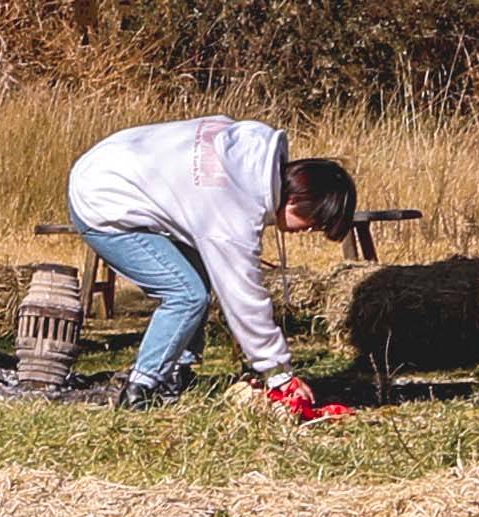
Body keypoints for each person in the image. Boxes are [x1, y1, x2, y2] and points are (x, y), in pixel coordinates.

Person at [60, 115, 363, 418]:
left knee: (197, 278)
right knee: (186, 293)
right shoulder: (232, 210)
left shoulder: (250, 152)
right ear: (295, 199)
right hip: (100, 200)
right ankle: (142, 387)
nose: (305, 233)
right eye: (312, 225)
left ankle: (177, 372)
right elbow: (243, 299)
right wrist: (279, 375)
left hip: (110, 160)